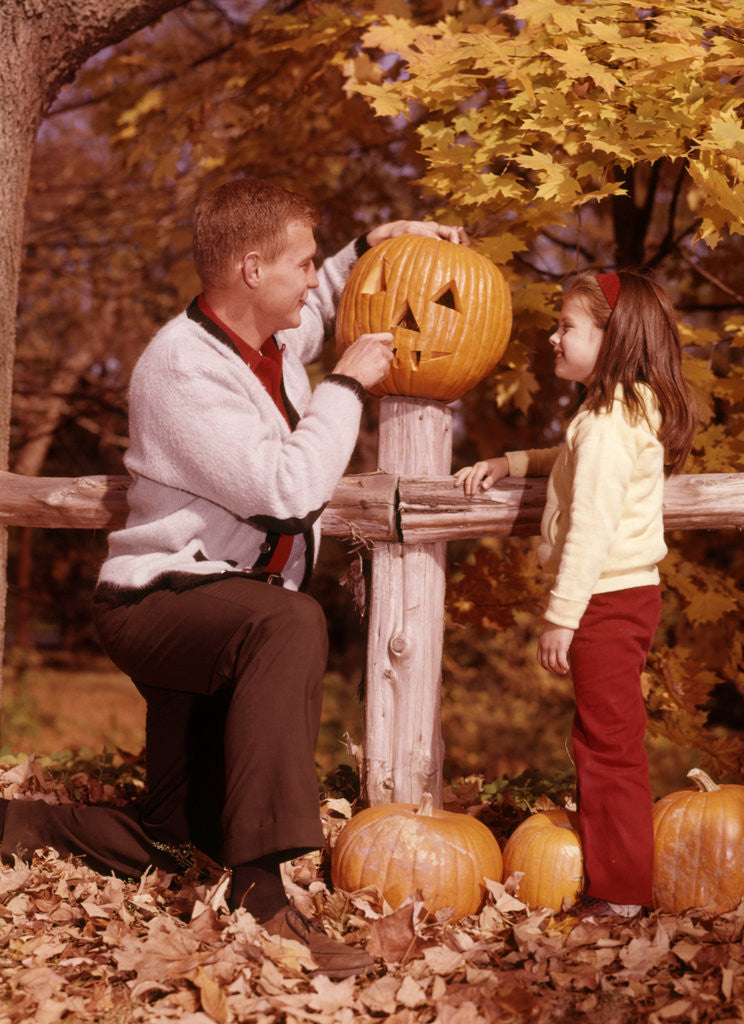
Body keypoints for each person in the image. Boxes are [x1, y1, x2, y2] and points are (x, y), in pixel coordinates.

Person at [0, 178, 468, 977]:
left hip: (223, 610)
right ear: (252, 270)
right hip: (159, 604)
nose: (315, 278)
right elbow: (286, 490)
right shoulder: (178, 367)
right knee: (287, 624)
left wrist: (373, 244)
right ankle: (264, 899)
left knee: (178, 838)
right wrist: (349, 386)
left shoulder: (274, 343)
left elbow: (318, 305)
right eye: (304, 262)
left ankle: (12, 828)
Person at [454, 270, 696, 919]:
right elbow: (570, 459)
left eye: (567, 328)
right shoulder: (612, 413)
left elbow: (590, 528)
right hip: (621, 596)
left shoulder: (610, 423)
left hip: (605, 600)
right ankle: (620, 882)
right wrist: (513, 463)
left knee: (607, 743)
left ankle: (620, 894)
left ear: (610, 338)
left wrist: (562, 618)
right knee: (603, 736)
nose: (553, 338)